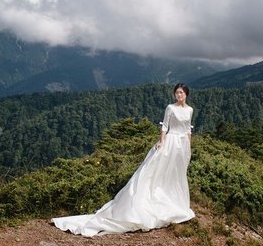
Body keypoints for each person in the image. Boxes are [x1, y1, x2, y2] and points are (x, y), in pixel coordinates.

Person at [52, 83, 195, 236]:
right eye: (177, 93)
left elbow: (188, 129)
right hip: (171, 142)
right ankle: (156, 201)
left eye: (181, 93)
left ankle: (175, 201)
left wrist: (189, 147)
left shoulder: (190, 110)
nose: (179, 95)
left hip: (182, 145)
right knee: (160, 172)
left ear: (186, 94)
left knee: (176, 174)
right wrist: (161, 141)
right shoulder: (170, 108)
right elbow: (165, 127)